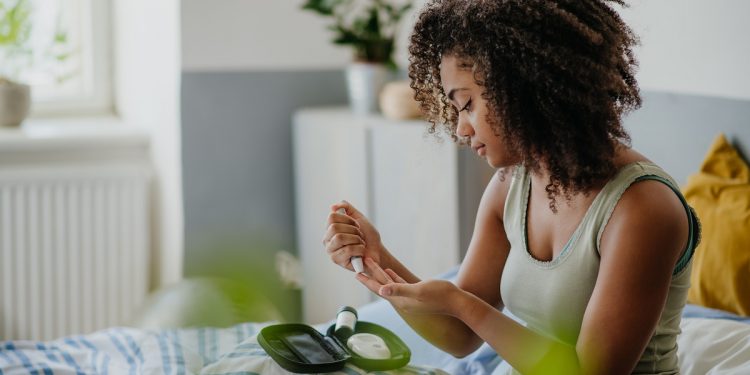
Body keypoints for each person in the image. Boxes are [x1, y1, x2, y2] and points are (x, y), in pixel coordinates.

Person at [322, 1, 700, 374]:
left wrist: (461, 303)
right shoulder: (512, 185)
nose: (460, 130)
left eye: (467, 104)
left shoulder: (643, 207)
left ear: (522, 87)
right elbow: (459, 336)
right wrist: (377, 259)